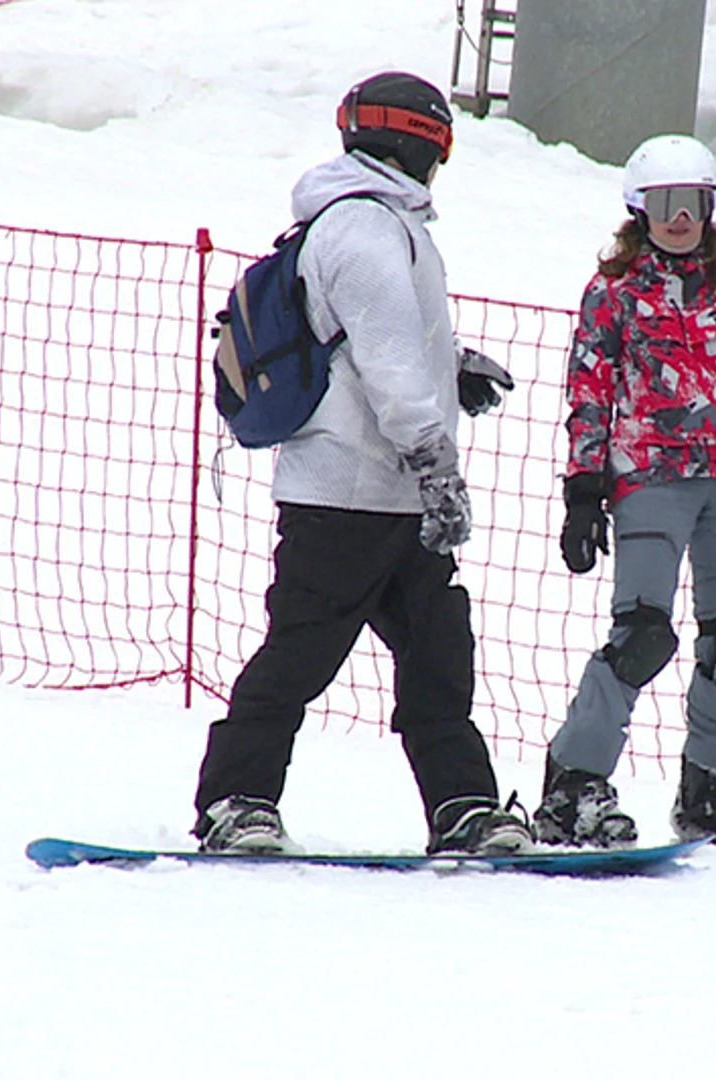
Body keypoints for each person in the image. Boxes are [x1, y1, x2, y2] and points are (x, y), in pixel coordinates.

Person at [191, 72, 529, 857]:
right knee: (302, 652)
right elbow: (385, 361)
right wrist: (435, 457)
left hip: (391, 495)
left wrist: (453, 372)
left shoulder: (366, 224)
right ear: (424, 143)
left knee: (437, 658)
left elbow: (385, 347)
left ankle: (466, 808)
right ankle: (235, 802)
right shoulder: (368, 229)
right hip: (345, 495)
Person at [531, 134, 716, 852]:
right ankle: (574, 785)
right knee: (643, 635)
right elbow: (588, 391)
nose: (678, 218)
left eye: (691, 203)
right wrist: (584, 490)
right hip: (649, 477)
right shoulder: (614, 293)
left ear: (710, 207)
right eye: (662, 204)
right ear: (637, 210)